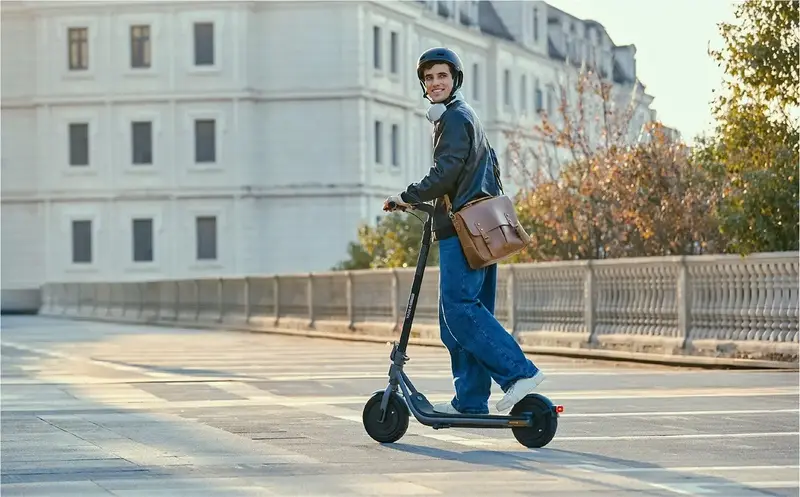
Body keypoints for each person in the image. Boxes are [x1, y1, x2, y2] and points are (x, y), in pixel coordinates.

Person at [382, 47, 545, 415]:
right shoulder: (467, 116)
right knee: (461, 317)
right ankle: (470, 400)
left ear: (455, 79)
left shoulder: (454, 119)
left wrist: (406, 197)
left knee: (459, 312)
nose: (435, 83)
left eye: (442, 76)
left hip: (464, 232)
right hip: (481, 229)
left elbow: (447, 172)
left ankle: (519, 373)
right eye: (428, 78)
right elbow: (486, 170)